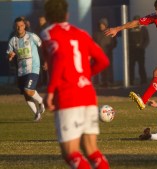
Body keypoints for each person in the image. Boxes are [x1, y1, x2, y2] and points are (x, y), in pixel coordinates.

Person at [41, 0, 110, 168]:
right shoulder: (81, 33)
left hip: (67, 96)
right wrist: (85, 76)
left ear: (47, 16)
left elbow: (59, 60)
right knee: (92, 151)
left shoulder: (48, 34)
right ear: (67, 15)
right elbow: (103, 60)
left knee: (71, 153)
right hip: (87, 94)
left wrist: (50, 91)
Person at [6, 16, 45, 121]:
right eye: (17, 26)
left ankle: (41, 101)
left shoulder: (32, 36)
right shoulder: (12, 41)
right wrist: (10, 56)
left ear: (25, 26)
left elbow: (43, 46)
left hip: (33, 67)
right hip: (21, 70)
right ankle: (37, 114)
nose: (19, 28)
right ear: (15, 27)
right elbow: (9, 54)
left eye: (21, 26)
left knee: (28, 90)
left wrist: (45, 61)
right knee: (26, 94)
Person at [93, 17, 117, 87]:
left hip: (108, 53)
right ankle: (102, 82)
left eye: (102, 24)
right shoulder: (96, 34)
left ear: (105, 25)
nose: (101, 26)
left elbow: (115, 42)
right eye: (100, 24)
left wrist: (110, 48)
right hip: (99, 54)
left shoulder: (109, 32)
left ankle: (110, 81)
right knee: (100, 68)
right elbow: (92, 43)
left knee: (109, 68)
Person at [128, 15, 149, 86]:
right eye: (135, 21)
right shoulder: (129, 30)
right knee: (131, 67)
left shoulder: (143, 29)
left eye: (137, 21)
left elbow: (147, 40)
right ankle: (130, 81)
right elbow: (127, 40)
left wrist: (142, 47)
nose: (136, 23)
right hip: (132, 51)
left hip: (140, 51)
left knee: (141, 66)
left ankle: (143, 81)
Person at [35, 15, 48, 86]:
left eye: (42, 20)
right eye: (39, 20)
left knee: (45, 68)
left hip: (45, 51)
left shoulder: (47, 29)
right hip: (38, 51)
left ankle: (45, 83)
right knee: (39, 68)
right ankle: (40, 82)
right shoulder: (37, 28)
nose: (40, 22)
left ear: (45, 20)